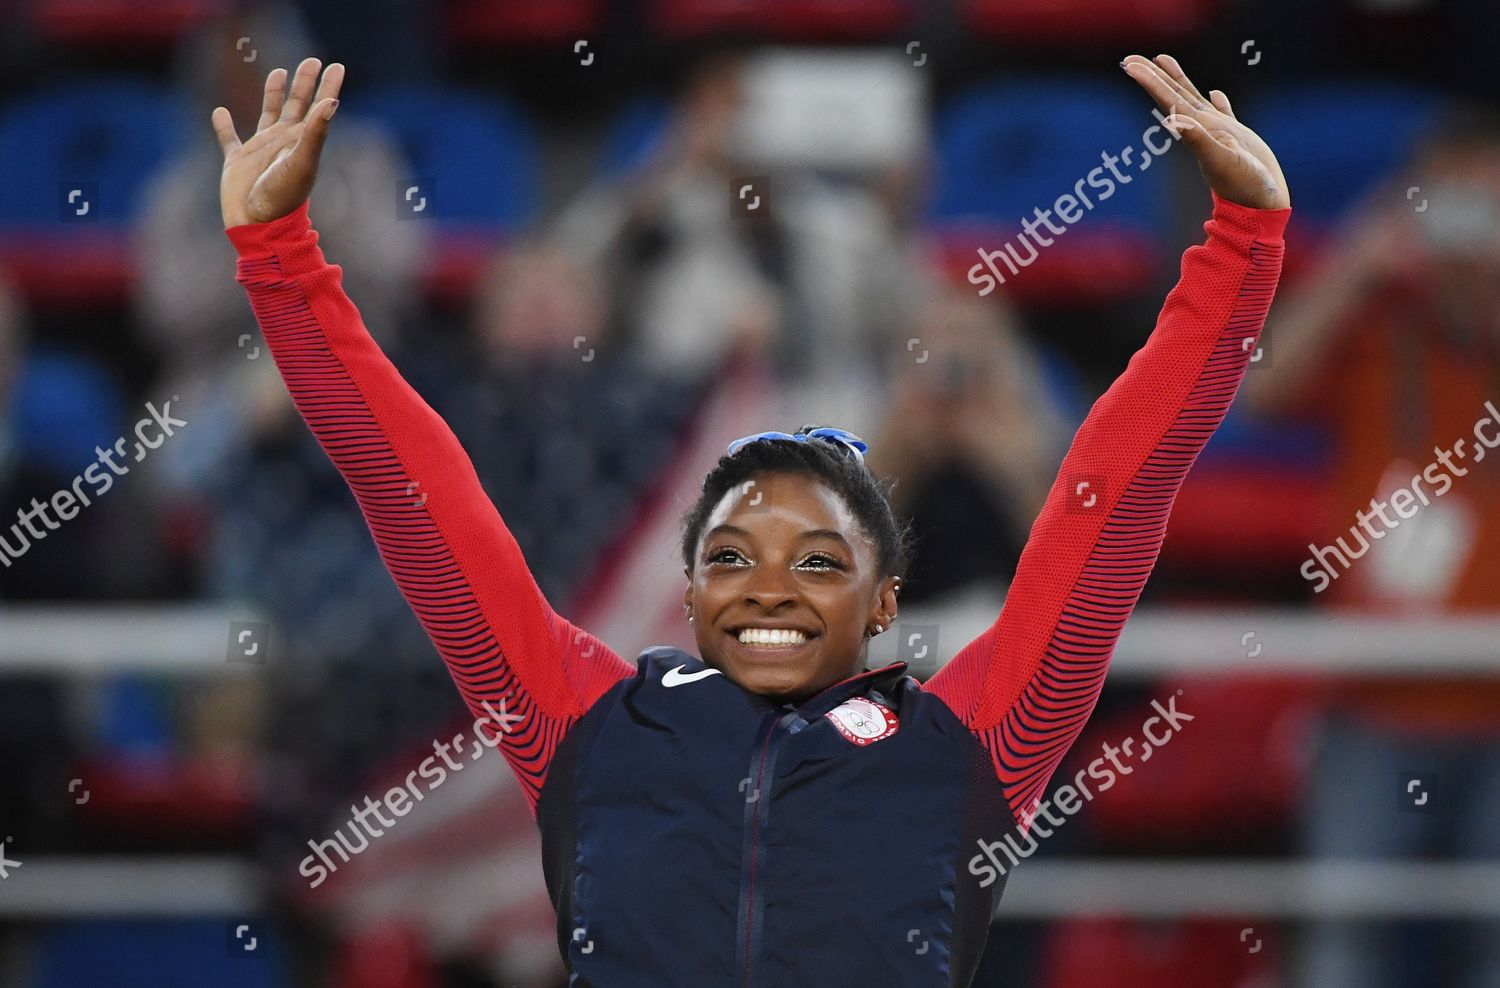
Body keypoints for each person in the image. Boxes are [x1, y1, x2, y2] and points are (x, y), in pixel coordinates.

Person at [211, 53, 1291, 983]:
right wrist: (281, 259)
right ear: (689, 596)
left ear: (882, 600)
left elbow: (1118, 491)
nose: (770, 582)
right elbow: (420, 497)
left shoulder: (970, 746)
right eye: (733, 553)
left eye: (818, 557)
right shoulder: (590, 728)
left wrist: (1243, 247)